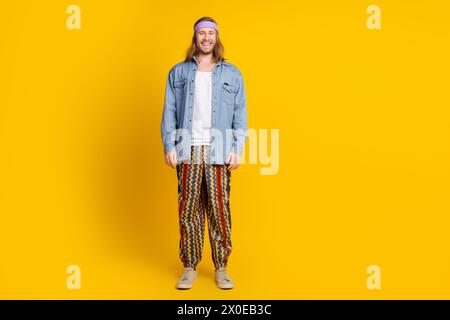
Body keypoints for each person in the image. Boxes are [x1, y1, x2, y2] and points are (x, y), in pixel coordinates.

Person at [161, 16, 248, 290]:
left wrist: (238, 147)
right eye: (202, 33)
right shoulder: (178, 73)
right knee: (188, 208)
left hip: (219, 148)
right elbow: (170, 111)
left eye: (211, 33)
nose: (207, 38)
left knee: (219, 208)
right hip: (187, 147)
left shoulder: (233, 74)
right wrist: (169, 145)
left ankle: (222, 266)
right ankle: (189, 266)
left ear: (217, 38)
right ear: (195, 38)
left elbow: (240, 114)